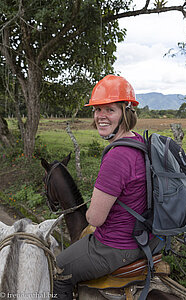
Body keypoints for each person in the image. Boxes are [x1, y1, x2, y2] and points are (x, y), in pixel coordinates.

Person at [53, 74, 159, 299]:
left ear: (126, 113)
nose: (100, 116)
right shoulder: (138, 141)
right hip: (144, 238)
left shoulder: (117, 157)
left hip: (116, 246)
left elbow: (94, 219)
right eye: (97, 110)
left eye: (109, 110)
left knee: (58, 268)